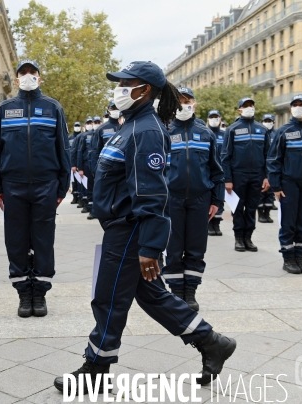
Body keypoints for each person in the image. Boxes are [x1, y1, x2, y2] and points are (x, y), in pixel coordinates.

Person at [54, 62, 236, 396]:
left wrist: (150, 247)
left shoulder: (147, 130)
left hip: (130, 229)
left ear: (145, 90)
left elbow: (151, 193)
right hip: (121, 227)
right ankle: (212, 341)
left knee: (107, 298)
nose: (119, 88)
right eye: (119, 83)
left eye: (126, 83)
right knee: (152, 296)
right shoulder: (130, 125)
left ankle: (96, 368)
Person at [0, 59, 71, 318]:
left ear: (39, 78)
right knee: (16, 239)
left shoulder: (52, 108)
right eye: (22, 73)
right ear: (16, 80)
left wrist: (62, 187)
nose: (27, 76)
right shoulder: (5, 109)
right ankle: (24, 292)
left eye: (32, 72)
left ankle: (40, 292)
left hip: (46, 185)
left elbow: (63, 149)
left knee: (44, 239)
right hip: (13, 186)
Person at [161, 87, 224, 312]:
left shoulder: (206, 133)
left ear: (194, 104)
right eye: (179, 101)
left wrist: (217, 201)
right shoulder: (164, 131)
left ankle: (191, 291)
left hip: (200, 199)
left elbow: (216, 171)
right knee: (174, 247)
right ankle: (177, 291)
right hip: (172, 200)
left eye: (187, 101)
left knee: (196, 248)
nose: (183, 105)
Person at [267, 94, 302, 275]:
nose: (299, 107)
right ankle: (288, 258)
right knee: (289, 222)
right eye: (296, 105)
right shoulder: (283, 131)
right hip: (289, 183)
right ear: (291, 108)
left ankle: (300, 256)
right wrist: (276, 186)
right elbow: (274, 160)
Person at [221, 97, 270, 252]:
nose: (249, 108)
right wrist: (227, 179)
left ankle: (248, 237)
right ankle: (238, 238)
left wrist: (267, 176)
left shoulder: (262, 130)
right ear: (239, 110)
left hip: (257, 175)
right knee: (238, 208)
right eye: (245, 106)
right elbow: (225, 156)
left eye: (251, 105)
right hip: (238, 175)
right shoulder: (232, 129)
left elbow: (268, 155)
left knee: (251, 208)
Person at [207, 109, 225, 236]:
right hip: (208, 172)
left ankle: (216, 224)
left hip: (221, 172)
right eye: (211, 117)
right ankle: (209, 223)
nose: (214, 119)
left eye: (216, 116)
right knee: (209, 198)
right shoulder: (206, 133)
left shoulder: (224, 135)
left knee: (219, 198)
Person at [257, 114, 277, 224]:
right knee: (261, 191)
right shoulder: (260, 132)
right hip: (261, 166)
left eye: (270, 120)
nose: (268, 122)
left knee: (270, 193)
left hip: (273, 166)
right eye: (266, 120)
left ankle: (267, 214)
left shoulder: (277, 133)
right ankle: (260, 214)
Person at [77, 117, 96, 214]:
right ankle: (90, 208)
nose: (94, 124)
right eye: (93, 122)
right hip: (87, 164)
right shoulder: (85, 136)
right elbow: (79, 152)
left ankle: (96, 209)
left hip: (98, 164)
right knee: (89, 187)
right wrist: (80, 168)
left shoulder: (98, 133)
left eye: (97, 122)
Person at [69, 122, 82, 204]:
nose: (77, 127)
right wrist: (72, 164)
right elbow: (69, 152)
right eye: (76, 126)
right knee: (74, 181)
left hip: (80, 161)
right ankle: (75, 197)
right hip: (73, 162)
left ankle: (81, 197)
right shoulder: (70, 138)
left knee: (81, 181)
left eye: (78, 126)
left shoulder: (82, 136)